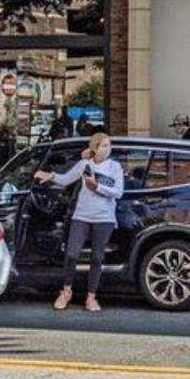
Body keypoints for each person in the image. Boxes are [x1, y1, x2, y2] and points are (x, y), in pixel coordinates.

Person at [34, 132, 125, 313]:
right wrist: (50, 175)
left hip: (104, 218)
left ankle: (91, 297)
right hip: (82, 216)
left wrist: (96, 186)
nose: (108, 149)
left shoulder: (114, 167)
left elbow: (118, 192)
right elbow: (66, 179)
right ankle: (66, 291)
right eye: (104, 145)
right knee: (72, 254)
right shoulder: (85, 165)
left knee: (97, 257)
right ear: (95, 148)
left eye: (109, 145)